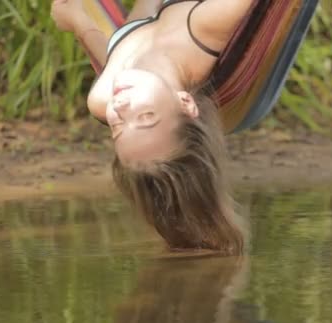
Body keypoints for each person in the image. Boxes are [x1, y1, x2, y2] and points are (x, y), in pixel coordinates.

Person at [51, 0, 259, 254]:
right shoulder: (205, 28)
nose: (122, 106)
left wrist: (76, 18)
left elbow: (114, 47)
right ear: (185, 103)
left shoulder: (104, 95)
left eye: (117, 126)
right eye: (146, 116)